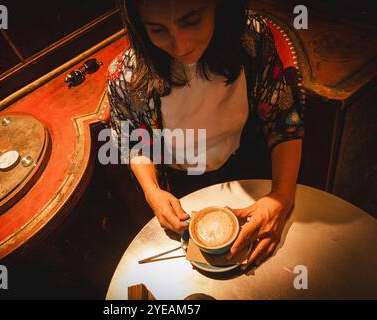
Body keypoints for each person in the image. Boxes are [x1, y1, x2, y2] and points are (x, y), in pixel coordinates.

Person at [106, 0, 304, 269]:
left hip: (252, 173)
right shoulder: (126, 74)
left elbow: (283, 121)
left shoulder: (251, 39)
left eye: (191, 21)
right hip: (180, 188)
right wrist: (152, 192)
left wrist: (281, 197)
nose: (181, 45)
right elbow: (132, 143)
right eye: (158, 30)